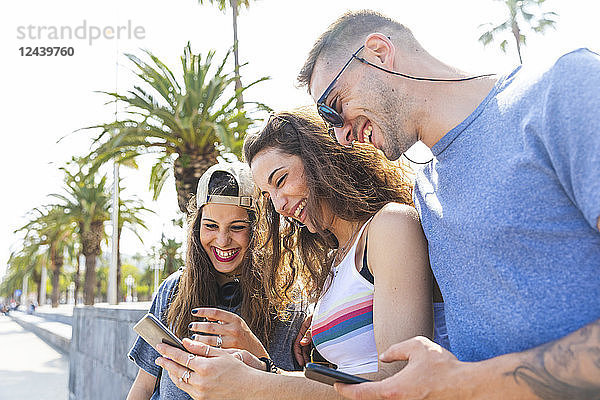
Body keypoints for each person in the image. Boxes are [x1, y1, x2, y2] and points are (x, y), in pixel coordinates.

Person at [298, 9, 600, 399]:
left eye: (333, 106)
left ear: (378, 52)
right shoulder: (425, 191)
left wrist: (466, 384)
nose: (340, 136)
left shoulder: (561, 88)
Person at [152, 107, 449, 399]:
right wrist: (264, 368)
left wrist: (253, 385)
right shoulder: (334, 261)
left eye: (281, 180)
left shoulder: (390, 226)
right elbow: (342, 377)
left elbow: (401, 383)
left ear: (320, 159)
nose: (279, 205)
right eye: (268, 195)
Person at [127, 162, 305, 400]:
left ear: (258, 230)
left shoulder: (287, 299)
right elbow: (144, 385)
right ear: (196, 229)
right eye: (210, 226)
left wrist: (253, 351)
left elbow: (293, 389)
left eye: (237, 227)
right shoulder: (173, 290)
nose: (222, 240)